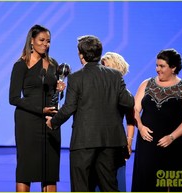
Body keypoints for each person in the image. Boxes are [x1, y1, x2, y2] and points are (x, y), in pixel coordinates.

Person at [46, 35, 134, 191]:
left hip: (84, 142)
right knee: (109, 186)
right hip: (110, 142)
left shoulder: (76, 78)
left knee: (81, 186)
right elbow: (129, 102)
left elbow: (69, 108)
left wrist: (53, 122)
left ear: (81, 55)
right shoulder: (115, 76)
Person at [9, 24, 65, 192]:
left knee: (50, 168)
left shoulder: (53, 64)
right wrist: (40, 109)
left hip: (50, 121)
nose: (45, 44)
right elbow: (13, 98)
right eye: (41, 40)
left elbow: (54, 95)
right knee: (26, 167)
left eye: (48, 41)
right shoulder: (21, 65)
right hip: (28, 121)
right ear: (32, 41)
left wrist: (59, 90)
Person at [131, 48, 182, 192]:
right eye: (157, 65)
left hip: (172, 146)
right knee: (144, 180)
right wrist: (140, 127)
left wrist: (172, 137)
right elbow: (134, 109)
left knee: (170, 184)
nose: (157, 69)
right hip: (146, 144)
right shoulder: (146, 84)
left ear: (173, 68)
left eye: (162, 66)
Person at [100, 52, 135, 191]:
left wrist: (129, 141)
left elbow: (130, 120)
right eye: (102, 66)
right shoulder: (96, 90)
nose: (103, 70)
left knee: (116, 180)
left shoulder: (125, 94)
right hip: (97, 141)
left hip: (116, 142)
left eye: (107, 66)